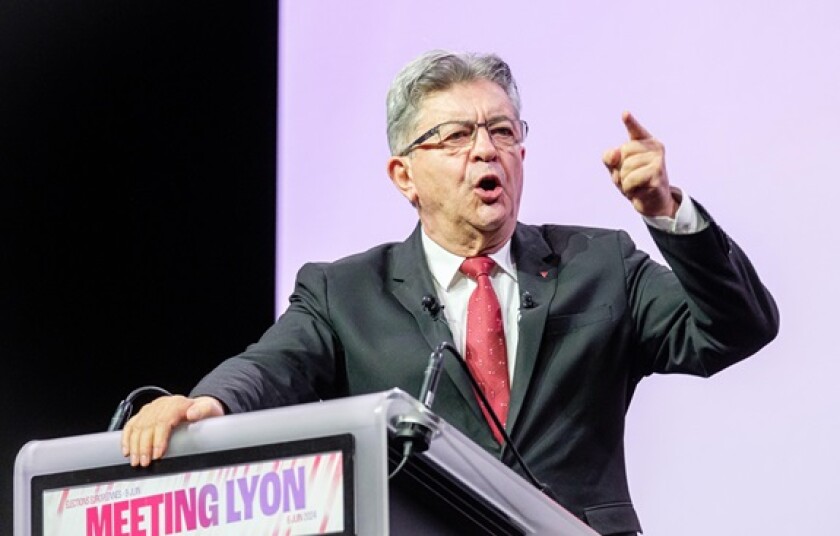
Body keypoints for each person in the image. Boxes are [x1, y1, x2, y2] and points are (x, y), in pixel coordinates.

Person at [121, 49, 779, 536]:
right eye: (456, 137)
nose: (486, 151)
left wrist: (667, 211)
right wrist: (206, 404)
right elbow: (270, 368)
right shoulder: (344, 292)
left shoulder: (601, 264)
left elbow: (736, 328)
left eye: (503, 131)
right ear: (404, 175)